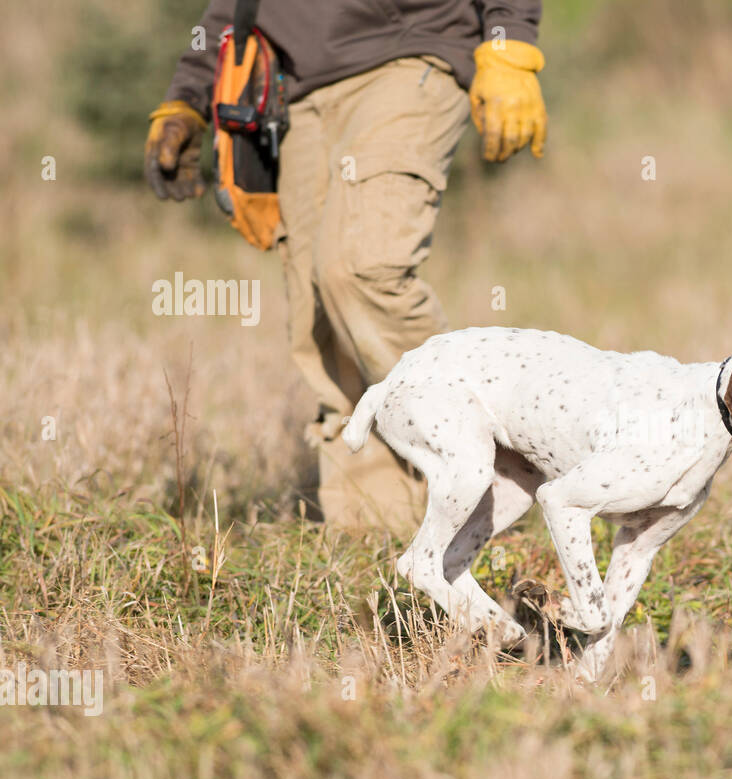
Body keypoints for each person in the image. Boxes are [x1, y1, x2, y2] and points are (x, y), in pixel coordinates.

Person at [144, 0, 546, 531]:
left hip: (410, 55)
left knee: (359, 269)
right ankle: (378, 524)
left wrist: (508, 44)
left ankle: (496, 466)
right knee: (318, 308)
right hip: (301, 93)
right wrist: (187, 98)